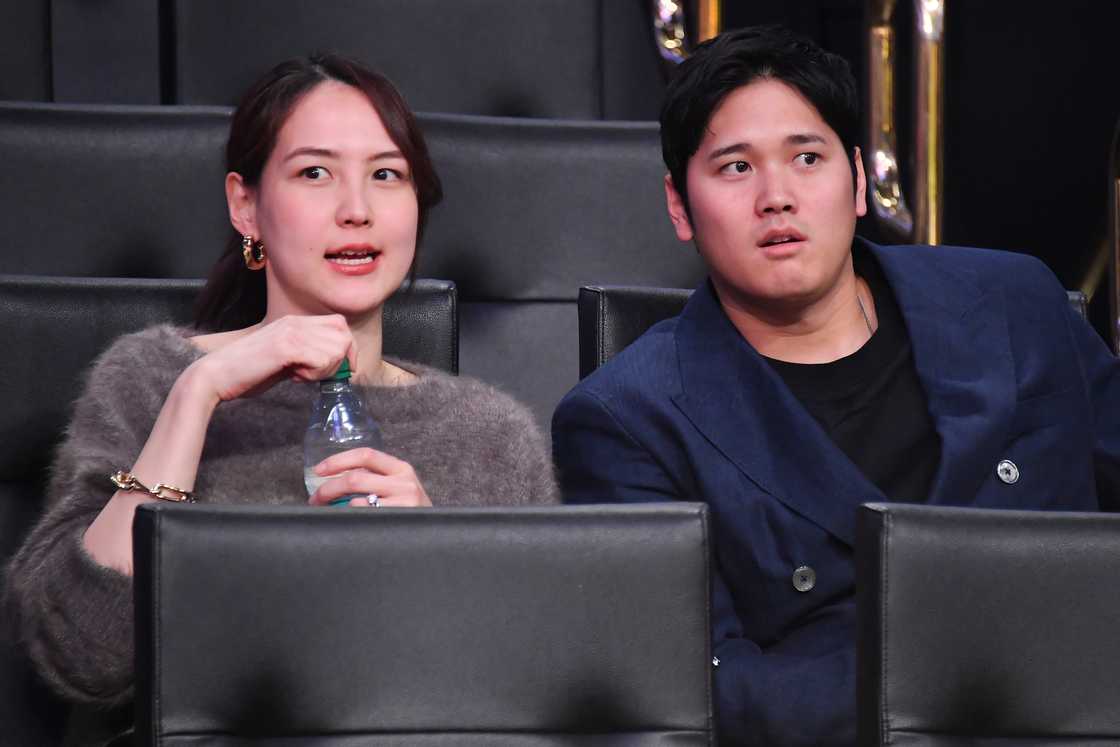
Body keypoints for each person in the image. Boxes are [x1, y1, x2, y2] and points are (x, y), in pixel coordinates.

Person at [551, 26, 1120, 745]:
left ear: (857, 179)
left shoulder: (1014, 302)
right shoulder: (624, 420)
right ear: (678, 205)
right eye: (734, 168)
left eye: (808, 158)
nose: (777, 197)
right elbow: (703, 692)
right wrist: (967, 675)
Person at [6, 54, 557, 744]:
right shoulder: (151, 378)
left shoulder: (490, 434)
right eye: (315, 173)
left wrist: (433, 559)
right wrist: (197, 397)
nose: (356, 210)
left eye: (386, 175)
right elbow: (84, 654)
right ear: (246, 205)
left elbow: (531, 697)